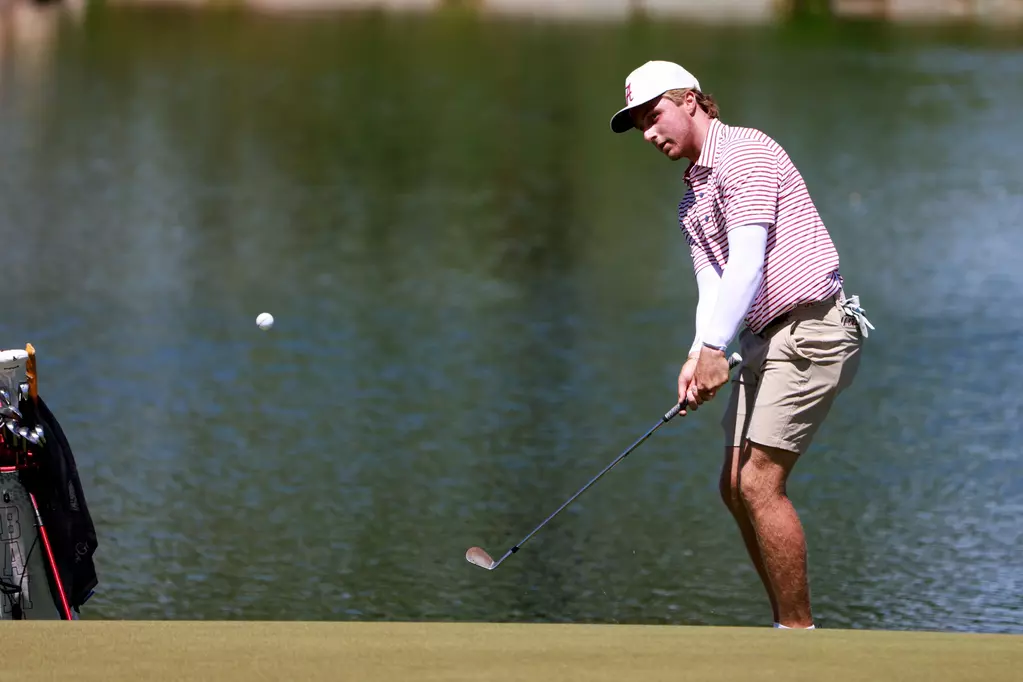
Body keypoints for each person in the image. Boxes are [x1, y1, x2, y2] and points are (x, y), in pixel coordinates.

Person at [609, 61, 873, 629]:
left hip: (811, 328)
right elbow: (714, 285)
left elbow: (749, 263)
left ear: (691, 100)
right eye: (640, 127)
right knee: (733, 486)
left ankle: (798, 637)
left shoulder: (746, 153)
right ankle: (785, 621)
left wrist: (712, 349)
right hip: (760, 340)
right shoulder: (691, 201)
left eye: (655, 117)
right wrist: (696, 354)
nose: (651, 134)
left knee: (759, 482)